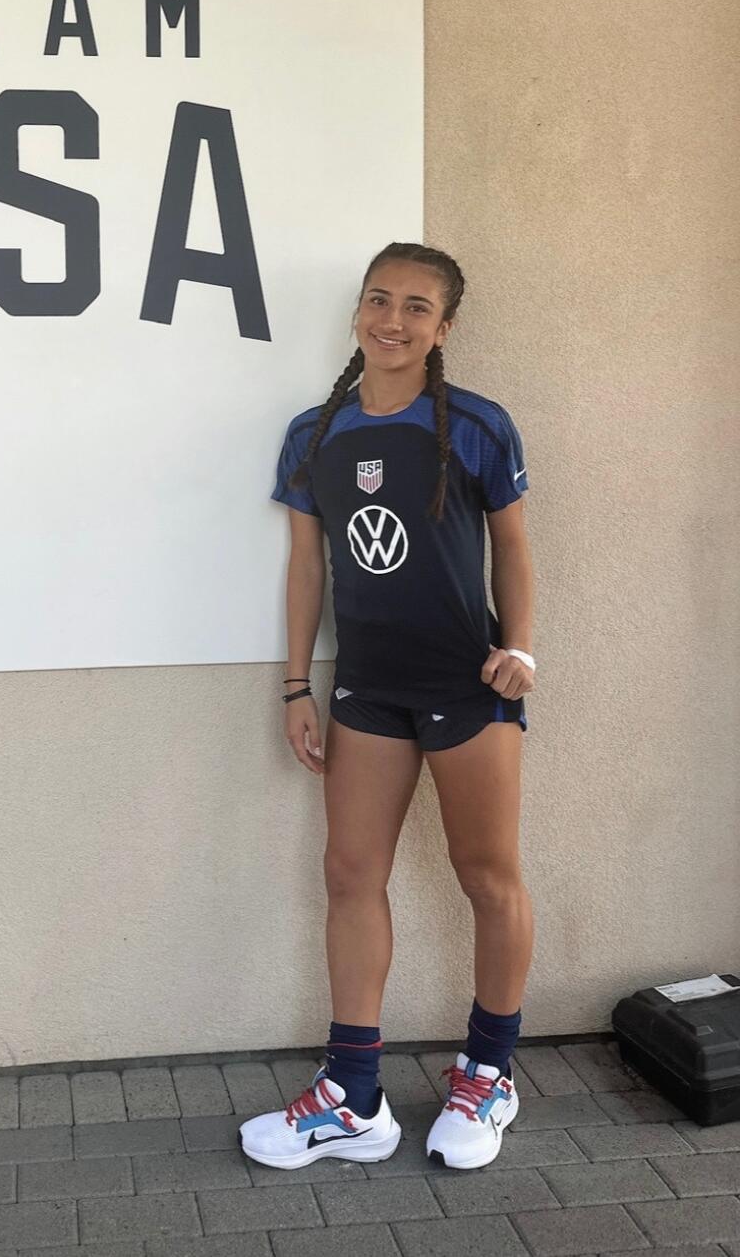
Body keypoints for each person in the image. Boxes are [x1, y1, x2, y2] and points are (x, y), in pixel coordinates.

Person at [239, 241, 535, 1173]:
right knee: (348, 873)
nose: (392, 321)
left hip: (466, 689)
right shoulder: (311, 432)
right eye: (379, 300)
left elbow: (514, 550)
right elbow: (305, 567)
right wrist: (296, 684)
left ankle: (487, 1073)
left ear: (442, 329)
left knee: (487, 877)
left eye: (416, 307)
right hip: (366, 690)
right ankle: (353, 1100)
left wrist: (518, 648)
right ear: (358, 312)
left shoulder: (478, 427)